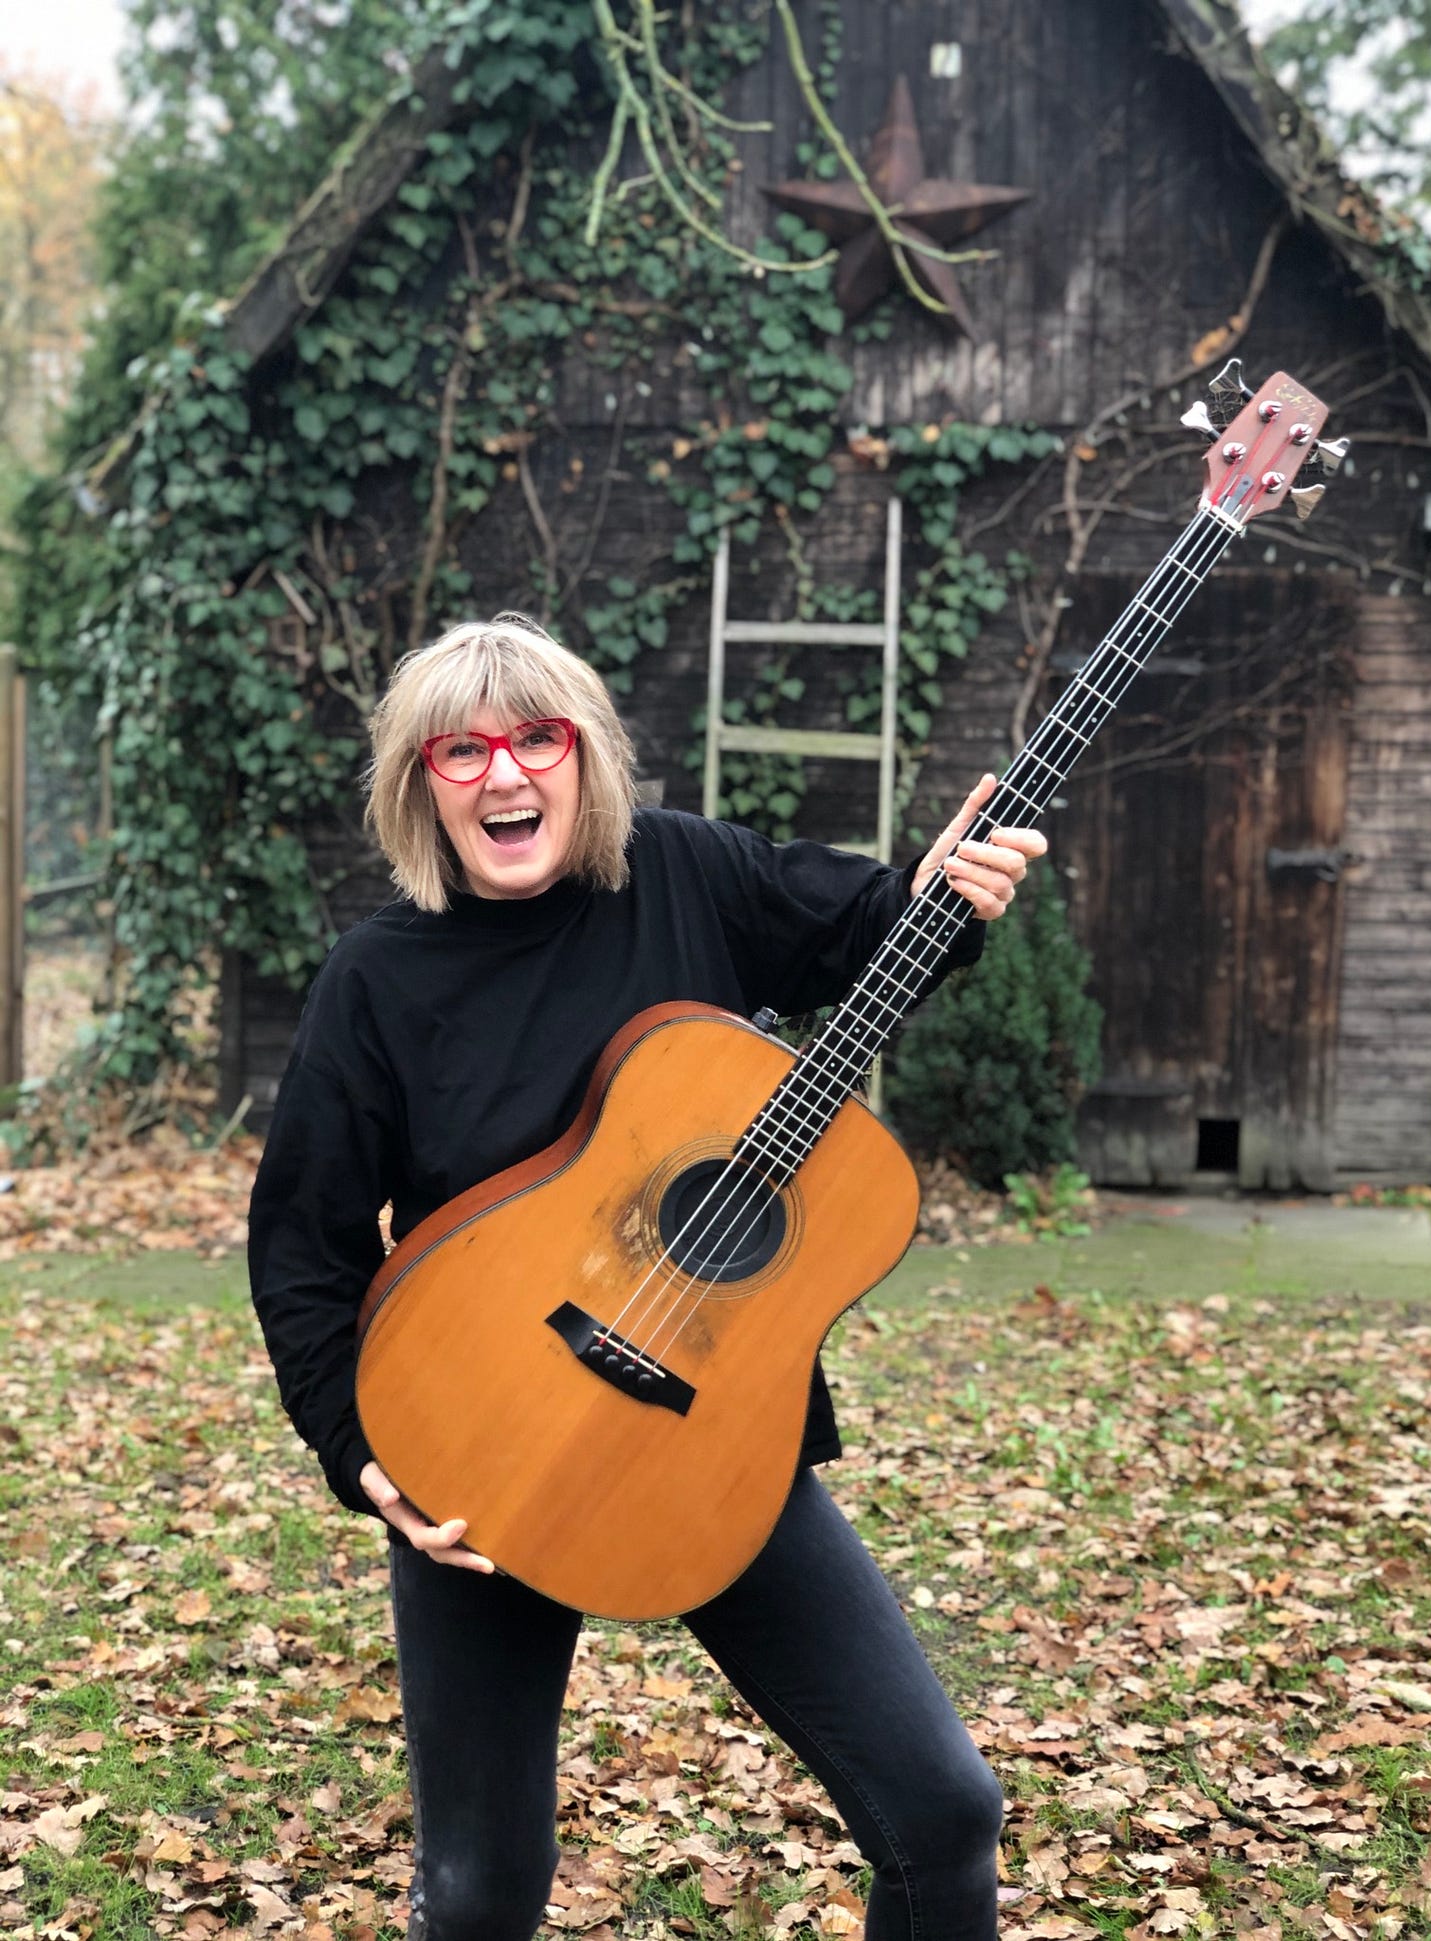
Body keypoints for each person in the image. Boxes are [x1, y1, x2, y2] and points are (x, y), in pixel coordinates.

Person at [249, 613, 1049, 1941]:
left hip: (708, 1430)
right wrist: (357, 1446)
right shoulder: (375, 981)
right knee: (479, 1892)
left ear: (586, 755)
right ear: (421, 785)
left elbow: (873, 931)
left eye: (535, 739)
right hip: (485, 1449)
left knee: (944, 1811)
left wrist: (946, 896)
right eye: (462, 751)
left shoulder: (685, 874)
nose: (504, 775)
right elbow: (304, 1241)